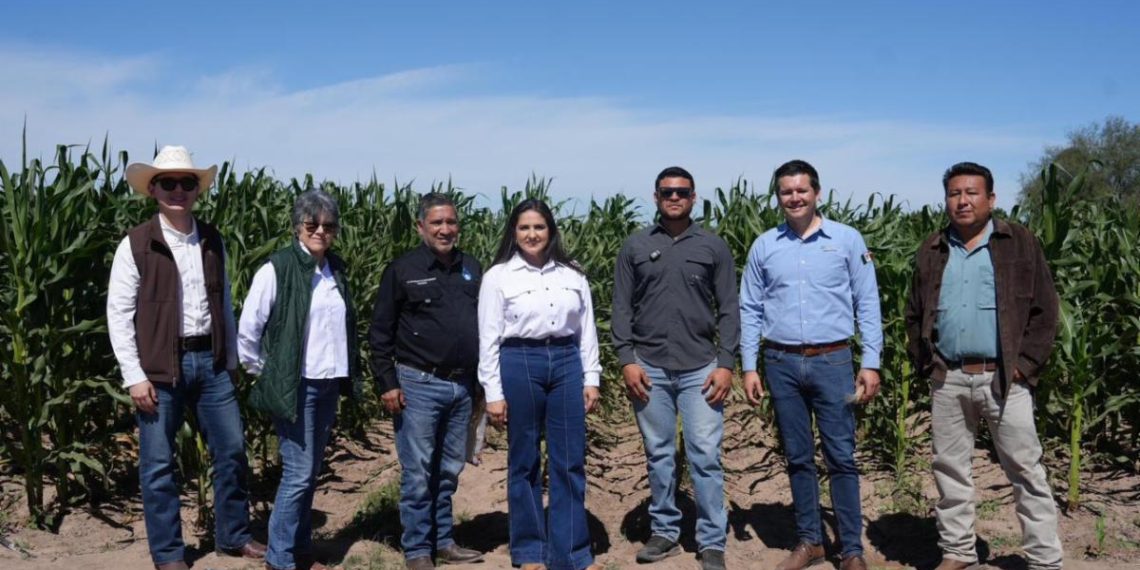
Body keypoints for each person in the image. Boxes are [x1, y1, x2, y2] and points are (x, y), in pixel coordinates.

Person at [107, 145, 265, 570]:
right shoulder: (137, 244)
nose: (178, 190)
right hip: (160, 370)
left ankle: (233, 536)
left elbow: (225, 304)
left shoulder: (212, 239)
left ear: (197, 190)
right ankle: (170, 555)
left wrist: (230, 361)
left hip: (211, 366)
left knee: (232, 451)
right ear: (153, 189)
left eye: (187, 183)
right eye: (169, 182)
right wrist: (134, 376)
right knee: (159, 466)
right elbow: (118, 315)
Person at [906, 162, 1063, 570]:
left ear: (991, 199)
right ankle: (957, 551)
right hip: (949, 377)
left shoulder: (1019, 242)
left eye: (972, 193)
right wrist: (928, 365)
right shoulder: (933, 247)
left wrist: (1023, 366)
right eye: (955, 193)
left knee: (1026, 471)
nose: (962, 201)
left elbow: (1046, 311)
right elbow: (913, 312)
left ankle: (1045, 559)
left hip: (1004, 379)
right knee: (950, 471)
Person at [739, 159, 882, 570]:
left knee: (841, 456)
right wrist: (750, 366)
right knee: (798, 456)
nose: (795, 197)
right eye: (786, 191)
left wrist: (870, 362)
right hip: (781, 362)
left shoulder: (847, 240)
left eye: (802, 190)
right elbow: (750, 307)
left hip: (833, 360)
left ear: (817, 192)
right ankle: (810, 541)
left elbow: (867, 302)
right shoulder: (765, 246)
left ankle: (851, 548)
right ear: (778, 197)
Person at [611, 166, 739, 570]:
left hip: (701, 367)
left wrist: (726, 363)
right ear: (656, 196)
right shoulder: (635, 246)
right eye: (667, 191)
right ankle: (665, 530)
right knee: (659, 453)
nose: (674, 197)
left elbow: (730, 309)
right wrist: (627, 360)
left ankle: (711, 540)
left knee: (705, 454)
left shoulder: (713, 247)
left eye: (682, 191)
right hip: (649, 367)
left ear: (693, 196)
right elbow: (621, 307)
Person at [238, 189, 361, 570]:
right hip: (296, 386)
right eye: (312, 224)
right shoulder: (277, 268)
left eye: (328, 225)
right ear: (297, 227)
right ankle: (280, 558)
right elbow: (248, 332)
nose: (320, 231)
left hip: (327, 383)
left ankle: (301, 550)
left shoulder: (334, 269)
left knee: (309, 473)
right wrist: (268, 374)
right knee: (298, 472)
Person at [477, 199, 603, 570]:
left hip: (566, 363)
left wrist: (591, 377)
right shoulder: (498, 276)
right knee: (524, 459)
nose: (532, 235)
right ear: (513, 234)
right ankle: (530, 550)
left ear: (551, 231)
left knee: (570, 460)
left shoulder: (572, 274)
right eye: (524, 228)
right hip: (519, 362)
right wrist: (494, 393)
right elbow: (488, 339)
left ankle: (570, 553)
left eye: (539, 227)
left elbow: (587, 330)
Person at [368, 193, 485, 569]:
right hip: (418, 383)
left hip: (463, 386)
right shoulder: (402, 270)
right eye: (436, 223)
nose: (445, 229)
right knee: (418, 471)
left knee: (449, 469)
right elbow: (380, 332)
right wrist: (387, 382)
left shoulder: (473, 268)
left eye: (451, 222)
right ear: (421, 227)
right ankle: (418, 549)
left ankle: (443, 540)